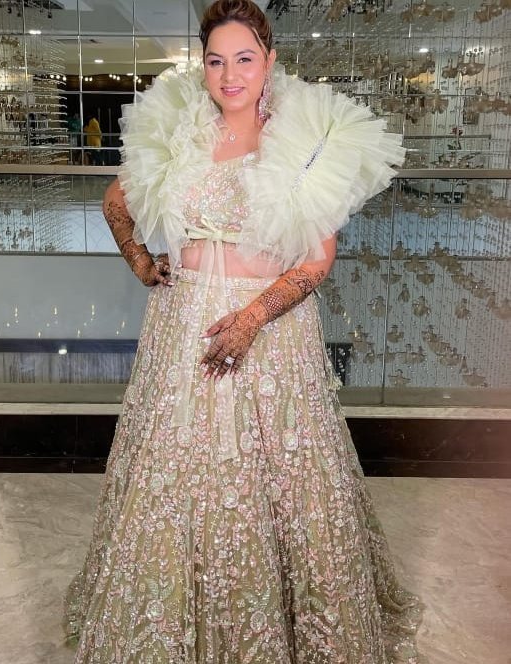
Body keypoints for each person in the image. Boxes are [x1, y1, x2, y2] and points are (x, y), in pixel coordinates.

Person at [63, 1, 426, 661]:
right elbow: (116, 201)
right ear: (202, 65)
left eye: (244, 58)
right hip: (184, 324)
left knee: (281, 481)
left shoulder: (303, 135)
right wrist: (142, 261)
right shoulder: (179, 129)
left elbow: (316, 262)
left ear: (270, 61)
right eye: (216, 60)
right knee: (173, 476)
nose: (230, 75)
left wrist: (254, 317)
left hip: (271, 333)